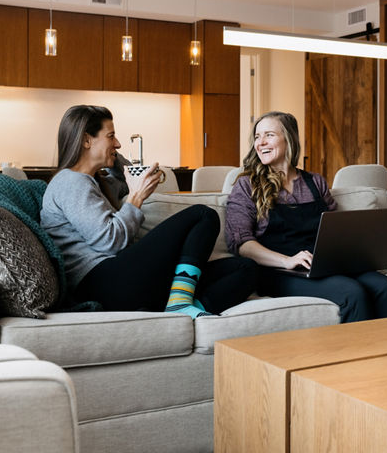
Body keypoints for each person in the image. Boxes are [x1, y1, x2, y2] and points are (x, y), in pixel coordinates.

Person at [41, 105, 257, 317]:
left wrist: (122, 168)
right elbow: (109, 240)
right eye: (111, 136)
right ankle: (180, 303)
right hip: (102, 282)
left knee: (246, 268)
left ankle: (181, 309)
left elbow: (124, 170)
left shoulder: (97, 181)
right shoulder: (71, 182)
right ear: (87, 140)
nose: (117, 143)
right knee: (203, 215)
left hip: (124, 280)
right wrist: (137, 196)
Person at [224, 111, 387, 323]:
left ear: (289, 139)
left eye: (269, 135)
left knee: (385, 287)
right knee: (352, 293)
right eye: (257, 136)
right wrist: (287, 261)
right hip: (277, 270)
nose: (260, 142)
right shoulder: (247, 184)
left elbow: (335, 231)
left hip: (319, 265)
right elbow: (241, 243)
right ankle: (358, 356)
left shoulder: (315, 182)